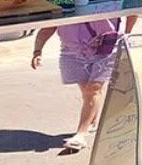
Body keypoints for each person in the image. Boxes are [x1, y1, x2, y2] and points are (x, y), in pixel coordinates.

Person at [32, 17, 130, 151]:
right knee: (87, 92)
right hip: (73, 51)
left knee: (93, 90)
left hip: (107, 48)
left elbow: (133, 10)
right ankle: (91, 121)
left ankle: (81, 134)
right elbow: (48, 27)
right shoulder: (62, 1)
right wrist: (37, 51)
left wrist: (127, 33)